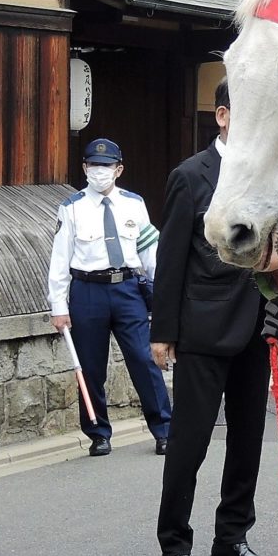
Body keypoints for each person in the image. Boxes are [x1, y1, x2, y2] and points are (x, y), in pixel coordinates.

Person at [151, 78, 278, 556]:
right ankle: (174, 546)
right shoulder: (191, 176)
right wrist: (162, 331)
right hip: (202, 326)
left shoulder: (270, 176)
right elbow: (171, 257)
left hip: (258, 325)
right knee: (189, 444)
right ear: (222, 116)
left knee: (248, 441)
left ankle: (231, 538)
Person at [48, 138, 172, 456]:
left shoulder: (134, 204)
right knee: (90, 367)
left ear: (119, 169)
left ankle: (164, 430)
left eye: (105, 166)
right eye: (93, 165)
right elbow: (60, 260)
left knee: (144, 361)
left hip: (128, 289)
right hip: (87, 291)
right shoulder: (71, 207)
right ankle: (98, 433)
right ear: (85, 168)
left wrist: (163, 295)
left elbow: (149, 252)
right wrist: (58, 307)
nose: (99, 171)